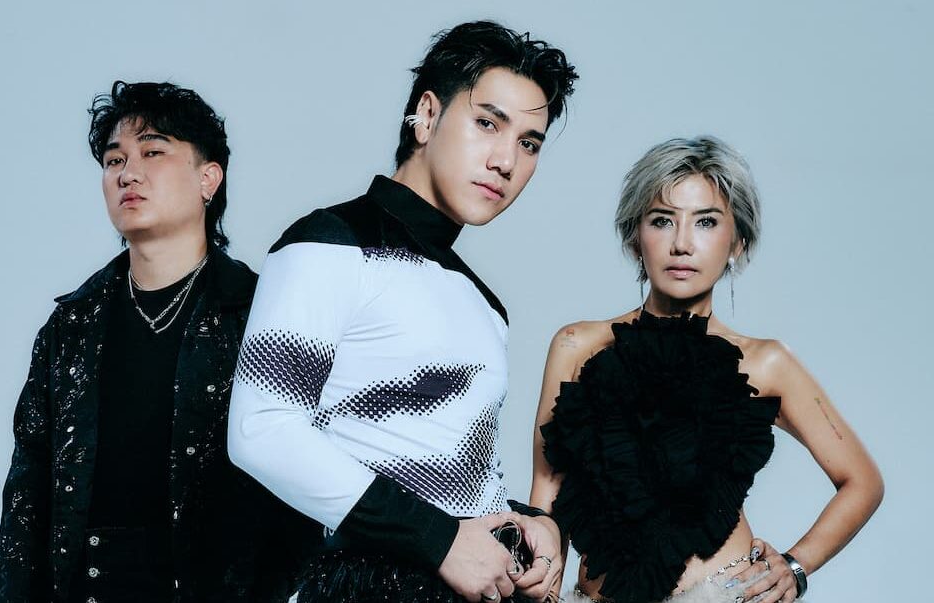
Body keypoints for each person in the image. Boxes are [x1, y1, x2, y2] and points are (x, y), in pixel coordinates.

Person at [227, 21, 577, 603]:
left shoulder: (485, 304)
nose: (505, 160)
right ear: (427, 115)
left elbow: (450, 471)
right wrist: (439, 541)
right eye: (488, 123)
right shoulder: (330, 243)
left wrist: (533, 525)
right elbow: (261, 429)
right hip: (363, 586)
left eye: (529, 143)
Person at [0, 81, 320, 603]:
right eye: (114, 160)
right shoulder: (70, 328)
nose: (128, 173)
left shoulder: (262, 315)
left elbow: (300, 485)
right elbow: (26, 496)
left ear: (208, 178)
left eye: (153, 152)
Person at [530, 136, 884, 603]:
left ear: (737, 242)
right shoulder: (577, 345)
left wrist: (796, 567)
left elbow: (863, 482)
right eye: (662, 220)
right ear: (636, 238)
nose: (681, 243)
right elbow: (547, 490)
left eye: (706, 222)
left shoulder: (765, 362)